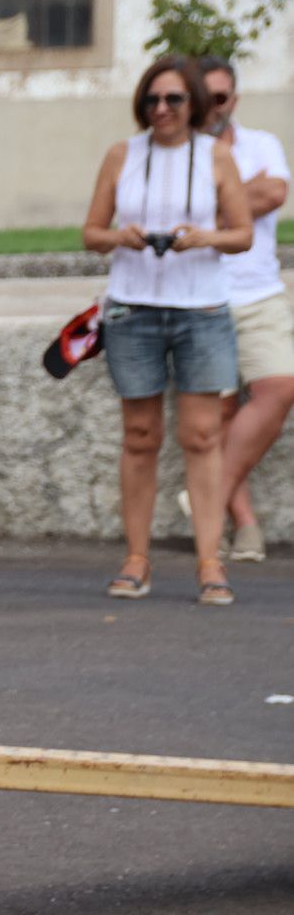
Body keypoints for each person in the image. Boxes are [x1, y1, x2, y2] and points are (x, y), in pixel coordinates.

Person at [83, 57, 251, 605]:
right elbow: (90, 232)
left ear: (194, 104)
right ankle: (136, 557)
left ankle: (209, 560)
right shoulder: (121, 155)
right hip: (134, 308)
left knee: (202, 435)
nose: (162, 110)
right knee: (139, 436)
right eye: (153, 99)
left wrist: (203, 237)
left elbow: (243, 234)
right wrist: (120, 237)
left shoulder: (216, 155)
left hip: (200, 309)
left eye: (174, 100)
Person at [196, 56, 292, 563]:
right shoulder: (181, 151)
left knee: (282, 386)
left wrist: (216, 205)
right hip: (202, 296)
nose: (214, 106)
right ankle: (245, 525)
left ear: (234, 99)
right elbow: (176, 212)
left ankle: (203, 498)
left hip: (259, 294)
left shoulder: (262, 144)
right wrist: (241, 199)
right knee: (218, 413)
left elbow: (275, 191)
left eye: (222, 97)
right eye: (205, 97)